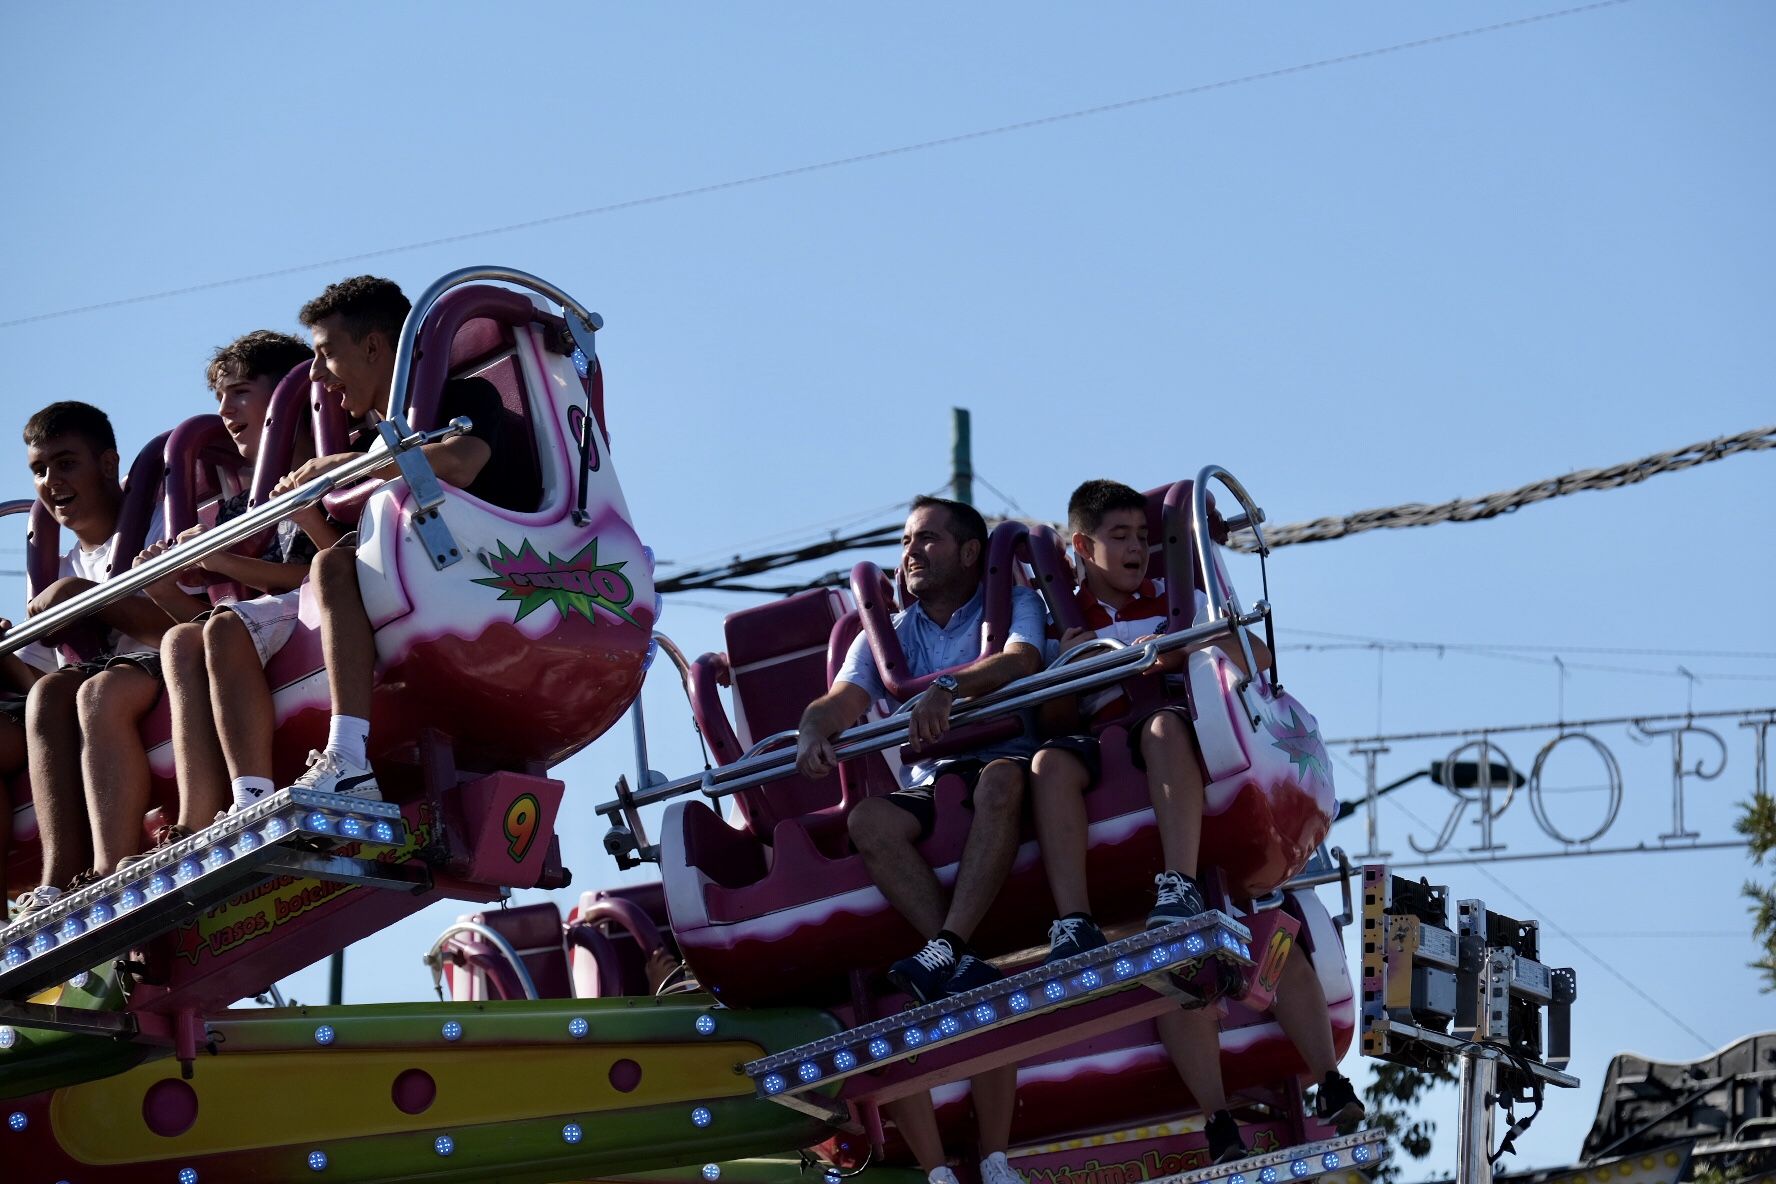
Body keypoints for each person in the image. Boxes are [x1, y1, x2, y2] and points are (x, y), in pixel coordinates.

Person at [1028, 479, 1361, 1162]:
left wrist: (1184, 648)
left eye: (1143, 538)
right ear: (1082, 547)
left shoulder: (1181, 600)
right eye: (1119, 538)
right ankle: (1214, 1118)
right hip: (1100, 750)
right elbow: (1052, 713)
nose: (1135, 551)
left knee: (1275, 936)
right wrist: (1079, 661)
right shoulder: (1065, 614)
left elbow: (1255, 663)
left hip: (1177, 744)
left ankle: (1326, 1074)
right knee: (1177, 979)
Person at [795, 495, 1043, 1184]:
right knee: (869, 819)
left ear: (970, 552)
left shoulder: (1009, 605)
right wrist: (814, 728)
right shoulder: (887, 634)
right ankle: (954, 952)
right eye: (906, 540)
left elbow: (1022, 660)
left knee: (998, 783)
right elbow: (842, 700)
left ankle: (947, 949)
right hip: (934, 784)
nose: (911, 552)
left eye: (928, 539)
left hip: (1000, 760)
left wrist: (947, 692)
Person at [262, 275, 539, 802]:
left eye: (325, 354)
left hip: (484, 567)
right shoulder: (369, 439)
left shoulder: (465, 395)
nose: (317, 375)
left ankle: (347, 756)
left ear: (372, 346)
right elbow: (342, 568)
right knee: (332, 568)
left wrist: (353, 465)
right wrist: (306, 513)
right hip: (421, 571)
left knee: (336, 567)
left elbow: (461, 462)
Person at [139, 331, 321, 846]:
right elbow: (211, 624)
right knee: (182, 640)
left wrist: (223, 561)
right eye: (219, 398)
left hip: (321, 609)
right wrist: (162, 584)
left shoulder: (329, 467)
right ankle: (198, 813)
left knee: (227, 624)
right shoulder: (244, 505)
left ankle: (251, 793)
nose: (226, 409)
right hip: (255, 627)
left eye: (240, 392)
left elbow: (321, 572)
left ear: (288, 394)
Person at [10, 403, 183, 914]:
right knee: (49, 694)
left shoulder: (158, 523)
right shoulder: (53, 567)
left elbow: (183, 622)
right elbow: (36, 679)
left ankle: (112, 865)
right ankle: (59, 877)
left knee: (96, 691)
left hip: (165, 669)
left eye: (65, 464)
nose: (50, 481)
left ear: (107, 464)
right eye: (39, 470)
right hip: (92, 684)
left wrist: (88, 596)